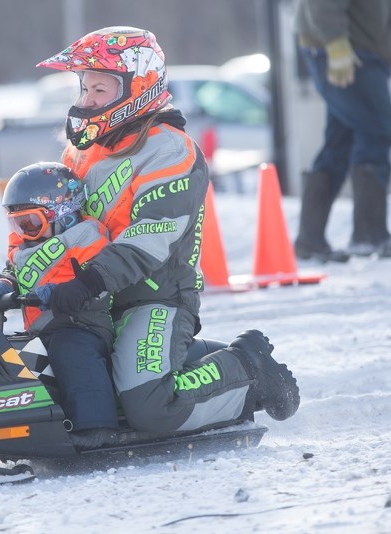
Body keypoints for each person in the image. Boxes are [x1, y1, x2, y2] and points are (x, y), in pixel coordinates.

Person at [35, 26, 300, 434]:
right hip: (93, 298)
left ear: (136, 88)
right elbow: (60, 223)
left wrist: (88, 282)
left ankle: (246, 366)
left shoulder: (169, 149)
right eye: (84, 88)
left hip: (153, 296)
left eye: (100, 91)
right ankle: (180, 360)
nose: (86, 100)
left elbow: (149, 239)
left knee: (150, 409)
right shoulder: (82, 150)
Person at [0, 161, 120, 448]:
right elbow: (12, 270)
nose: (24, 231)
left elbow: (99, 281)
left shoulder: (86, 237)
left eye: (31, 223)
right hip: (41, 328)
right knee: (4, 352)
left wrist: (60, 291)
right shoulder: (22, 246)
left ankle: (96, 425)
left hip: (83, 324)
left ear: (64, 214)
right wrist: (3, 284)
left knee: (70, 350)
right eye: (17, 223)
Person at [294, 0, 391, 261]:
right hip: (347, 51)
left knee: (341, 140)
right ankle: (369, 235)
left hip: (360, 51)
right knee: (377, 131)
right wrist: (336, 43)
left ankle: (310, 239)